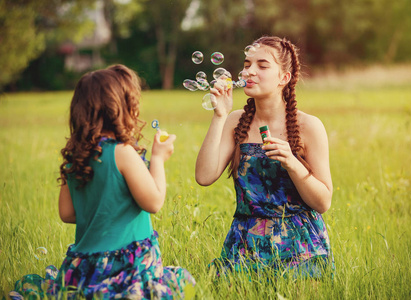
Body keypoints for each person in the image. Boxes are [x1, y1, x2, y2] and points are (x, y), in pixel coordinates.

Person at [10, 64, 195, 299]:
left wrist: (107, 207)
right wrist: (158, 158)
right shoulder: (123, 152)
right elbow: (154, 202)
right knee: (181, 281)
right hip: (129, 267)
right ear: (122, 110)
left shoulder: (74, 158)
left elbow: (67, 213)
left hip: (83, 269)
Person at [195, 36, 334, 278]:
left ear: (284, 78)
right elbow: (204, 176)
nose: (249, 71)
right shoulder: (235, 121)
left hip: (300, 245)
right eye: (247, 64)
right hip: (246, 242)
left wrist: (293, 163)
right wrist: (219, 115)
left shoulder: (309, 126)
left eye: (262, 65)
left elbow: (323, 202)